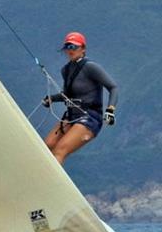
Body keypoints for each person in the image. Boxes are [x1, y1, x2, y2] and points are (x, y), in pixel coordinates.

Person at [41, 31, 117, 165]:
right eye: (68, 47)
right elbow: (68, 95)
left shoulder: (90, 67)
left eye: (74, 47)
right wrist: (51, 98)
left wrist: (110, 110)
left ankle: (49, 184)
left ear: (83, 49)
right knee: (46, 146)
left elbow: (113, 87)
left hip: (90, 117)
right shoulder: (66, 70)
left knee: (60, 150)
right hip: (71, 115)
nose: (71, 50)